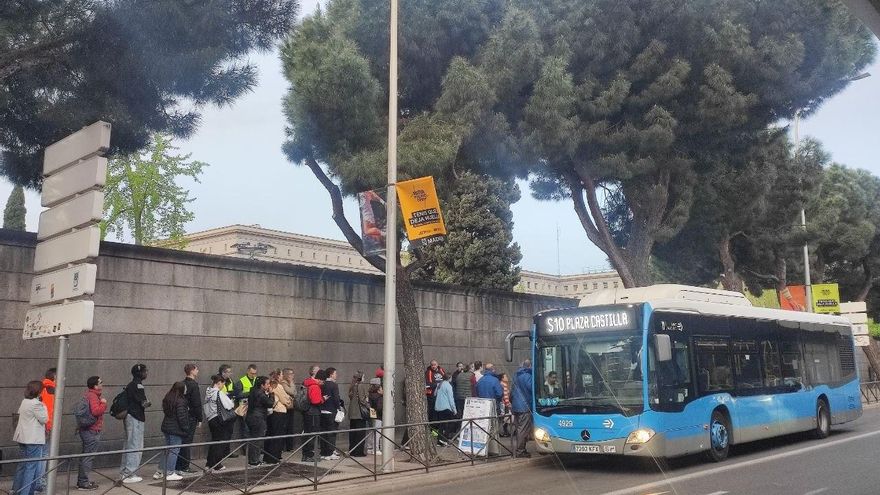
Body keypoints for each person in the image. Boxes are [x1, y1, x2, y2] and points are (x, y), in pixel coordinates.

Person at [12, 380, 48, 495]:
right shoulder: (37, 404)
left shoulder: (25, 401)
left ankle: (16, 490)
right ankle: (26, 493)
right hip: (33, 439)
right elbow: (44, 419)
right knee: (31, 468)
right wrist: (44, 405)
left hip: (22, 438)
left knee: (23, 465)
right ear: (39, 391)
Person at [120, 364, 150, 484]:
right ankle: (129, 473)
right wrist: (148, 403)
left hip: (130, 416)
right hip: (136, 417)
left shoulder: (131, 385)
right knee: (135, 445)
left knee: (129, 444)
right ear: (140, 373)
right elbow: (143, 403)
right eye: (145, 371)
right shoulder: (138, 385)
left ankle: (124, 471)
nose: (146, 373)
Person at [76, 376, 107, 490]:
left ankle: (82, 480)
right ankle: (83, 482)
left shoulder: (89, 395)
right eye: (100, 382)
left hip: (87, 429)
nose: (102, 384)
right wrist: (103, 404)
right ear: (95, 386)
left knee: (86, 456)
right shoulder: (93, 396)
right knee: (88, 457)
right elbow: (96, 411)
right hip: (91, 430)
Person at [204, 374, 235, 471]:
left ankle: (209, 463)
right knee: (220, 442)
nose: (223, 386)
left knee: (214, 441)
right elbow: (229, 405)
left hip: (211, 419)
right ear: (219, 383)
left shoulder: (208, 393)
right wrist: (232, 401)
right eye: (223, 384)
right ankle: (217, 464)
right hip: (219, 419)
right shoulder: (218, 393)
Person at [176, 364, 203, 474]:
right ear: (192, 371)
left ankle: (178, 465)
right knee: (188, 441)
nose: (198, 371)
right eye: (196, 369)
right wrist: (200, 418)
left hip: (182, 415)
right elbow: (196, 403)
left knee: (182, 440)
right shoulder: (193, 385)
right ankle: (185, 466)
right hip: (191, 416)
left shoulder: (182, 383)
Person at [245, 376, 275, 466]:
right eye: (267, 384)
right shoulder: (260, 394)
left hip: (252, 417)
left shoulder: (253, 391)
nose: (269, 386)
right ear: (262, 385)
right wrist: (271, 394)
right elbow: (270, 403)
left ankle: (253, 459)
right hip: (258, 418)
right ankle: (254, 461)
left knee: (254, 439)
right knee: (257, 439)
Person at [34, 368, 56, 492]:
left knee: (40, 454)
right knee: (43, 455)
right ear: (55, 377)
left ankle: (38, 482)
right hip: (46, 426)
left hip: (41, 426)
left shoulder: (42, 387)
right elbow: (48, 410)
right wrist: (48, 426)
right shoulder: (50, 389)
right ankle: (39, 482)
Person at [265, 370, 292, 464]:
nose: (282, 376)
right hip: (279, 411)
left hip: (271, 412)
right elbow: (285, 399)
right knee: (278, 435)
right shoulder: (278, 386)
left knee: (270, 434)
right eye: (281, 375)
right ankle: (274, 457)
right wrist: (289, 400)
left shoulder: (269, 385)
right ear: (278, 376)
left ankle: (267, 457)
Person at [301, 366, 324, 463]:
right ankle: (309, 455)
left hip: (307, 412)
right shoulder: (315, 386)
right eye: (323, 381)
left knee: (307, 433)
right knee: (312, 434)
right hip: (313, 413)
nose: (323, 383)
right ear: (320, 379)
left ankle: (305, 455)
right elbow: (315, 401)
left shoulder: (308, 384)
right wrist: (322, 399)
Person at [512, 360, 534, 458]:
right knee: (523, 430)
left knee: (519, 428)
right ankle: (520, 451)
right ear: (530, 366)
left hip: (516, 406)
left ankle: (521, 449)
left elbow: (512, 391)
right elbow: (532, 389)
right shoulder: (528, 376)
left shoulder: (516, 376)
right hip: (524, 406)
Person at [319, 367, 342, 460]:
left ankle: (323, 453)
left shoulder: (322, 384)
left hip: (322, 410)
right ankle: (330, 453)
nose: (336, 375)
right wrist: (339, 408)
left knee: (323, 432)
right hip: (331, 411)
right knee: (331, 433)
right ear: (331, 374)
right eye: (335, 373)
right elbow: (336, 399)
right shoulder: (334, 385)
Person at [217, 365, 239, 458]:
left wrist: (230, 394)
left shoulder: (230, 381)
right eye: (228, 372)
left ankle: (227, 452)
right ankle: (220, 453)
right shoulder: (218, 381)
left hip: (230, 408)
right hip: (222, 410)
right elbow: (219, 394)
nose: (230, 374)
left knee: (229, 431)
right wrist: (230, 394)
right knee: (222, 432)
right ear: (223, 373)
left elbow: (235, 391)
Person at [347, 371, 370, 457]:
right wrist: (368, 405)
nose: (364, 378)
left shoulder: (353, 386)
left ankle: (352, 450)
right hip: (359, 413)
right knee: (360, 433)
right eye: (363, 376)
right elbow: (362, 400)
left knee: (353, 433)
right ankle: (359, 452)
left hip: (352, 413)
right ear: (360, 378)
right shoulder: (361, 386)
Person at [233, 364, 258, 439]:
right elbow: (237, 395)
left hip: (255, 407)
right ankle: (246, 445)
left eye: (255, 373)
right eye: (252, 373)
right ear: (248, 371)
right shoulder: (241, 381)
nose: (253, 375)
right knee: (246, 429)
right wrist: (250, 393)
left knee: (255, 428)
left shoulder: (257, 380)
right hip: (245, 408)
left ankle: (253, 445)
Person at [433, 372, 457, 445]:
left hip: (438, 407)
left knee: (441, 424)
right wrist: (454, 409)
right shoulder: (448, 386)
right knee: (449, 424)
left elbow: (434, 394)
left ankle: (439, 440)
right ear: (449, 378)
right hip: (446, 407)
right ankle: (444, 439)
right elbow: (451, 399)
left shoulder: (440, 384)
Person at [280, 368, 298, 452]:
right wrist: (291, 383)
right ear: (286, 375)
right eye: (291, 374)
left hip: (291, 407)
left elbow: (296, 393)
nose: (293, 375)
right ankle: (283, 447)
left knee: (290, 427)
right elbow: (292, 392)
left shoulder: (291, 383)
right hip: (285, 408)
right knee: (284, 427)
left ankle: (289, 446)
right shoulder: (283, 383)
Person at [365, 376, 383, 456]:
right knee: (377, 433)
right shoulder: (379, 396)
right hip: (378, 416)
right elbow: (379, 407)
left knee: (371, 432)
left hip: (371, 414)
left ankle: (369, 448)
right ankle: (376, 449)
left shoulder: (370, 394)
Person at [498, 372, 512, 437]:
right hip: (504, 404)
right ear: (502, 378)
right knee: (505, 418)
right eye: (505, 376)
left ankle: (503, 431)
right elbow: (505, 396)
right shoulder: (504, 385)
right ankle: (504, 431)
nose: (507, 378)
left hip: (501, 403)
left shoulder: (500, 384)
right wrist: (508, 404)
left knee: (503, 418)